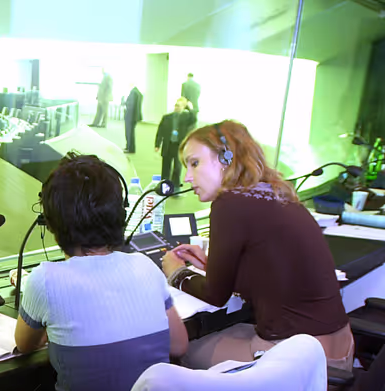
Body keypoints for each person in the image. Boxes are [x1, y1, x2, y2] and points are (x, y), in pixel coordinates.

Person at [2, 153, 187, 391]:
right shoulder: (146, 268)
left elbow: (24, 345)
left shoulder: (44, 280)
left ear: (51, 221)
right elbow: (179, 346)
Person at [161, 120, 353, 370]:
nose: (187, 177)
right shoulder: (276, 194)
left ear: (226, 158)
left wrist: (175, 272)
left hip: (300, 367)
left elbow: (215, 296)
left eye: (194, 163)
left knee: (178, 350)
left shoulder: (230, 202)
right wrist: (212, 266)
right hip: (338, 355)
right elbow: (269, 274)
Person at [155, 97, 197, 185]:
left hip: (178, 145)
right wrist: (157, 144)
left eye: (179, 106)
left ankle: (175, 185)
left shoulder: (186, 118)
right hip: (168, 145)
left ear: (183, 107)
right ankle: (164, 183)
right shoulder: (167, 117)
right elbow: (160, 131)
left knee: (177, 167)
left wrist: (190, 108)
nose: (177, 107)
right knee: (166, 166)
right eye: (176, 105)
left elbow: (194, 118)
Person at [123, 86, 143, 153]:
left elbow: (131, 104)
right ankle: (130, 147)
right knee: (131, 133)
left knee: (129, 133)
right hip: (135, 116)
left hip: (130, 116)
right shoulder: (138, 93)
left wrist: (124, 103)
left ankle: (130, 148)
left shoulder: (133, 93)